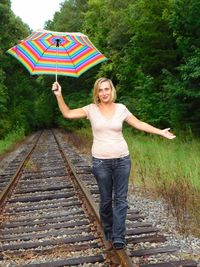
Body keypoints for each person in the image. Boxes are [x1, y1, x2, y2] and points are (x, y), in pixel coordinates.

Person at [52, 77, 176, 250]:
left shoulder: (121, 109)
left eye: (107, 89)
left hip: (122, 160)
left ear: (112, 90)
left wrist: (160, 132)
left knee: (120, 200)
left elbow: (138, 123)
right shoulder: (91, 109)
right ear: (96, 92)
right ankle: (108, 229)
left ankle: (118, 236)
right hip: (100, 162)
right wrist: (59, 95)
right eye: (100, 90)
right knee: (105, 201)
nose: (104, 93)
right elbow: (68, 113)